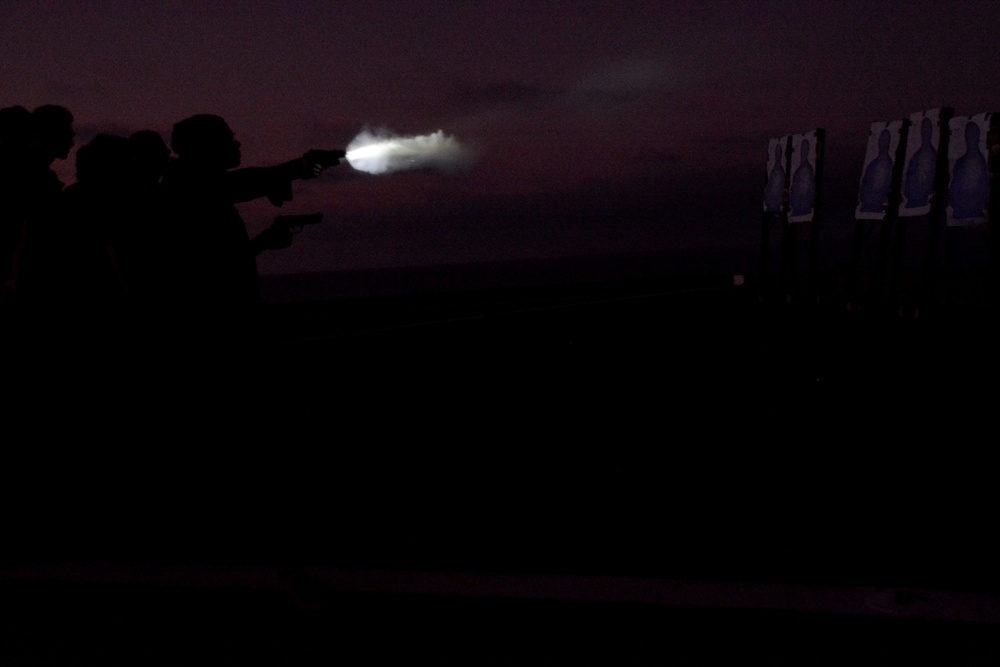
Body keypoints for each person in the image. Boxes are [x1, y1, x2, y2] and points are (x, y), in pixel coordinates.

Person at [158, 114, 335, 321]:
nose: (237, 144)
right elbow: (214, 271)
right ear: (207, 146)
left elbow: (224, 261)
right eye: (228, 139)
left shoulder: (183, 184)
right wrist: (297, 168)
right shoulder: (187, 186)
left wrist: (265, 240)